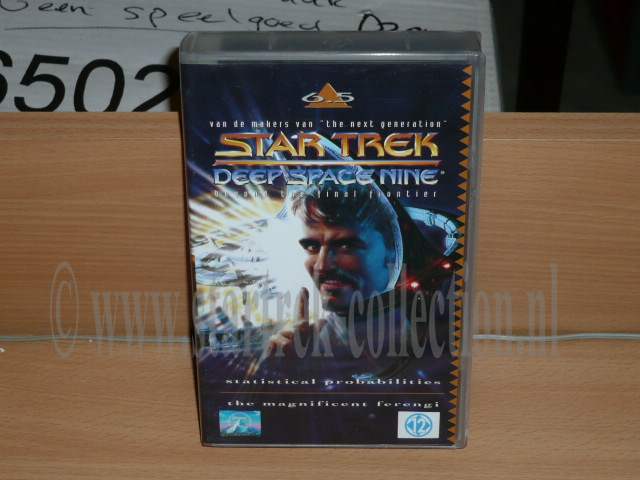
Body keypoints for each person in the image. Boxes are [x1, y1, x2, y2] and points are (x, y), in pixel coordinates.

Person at [265, 182, 404, 358]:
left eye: (346, 246)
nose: (321, 266)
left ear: (392, 249)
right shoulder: (309, 347)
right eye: (312, 247)